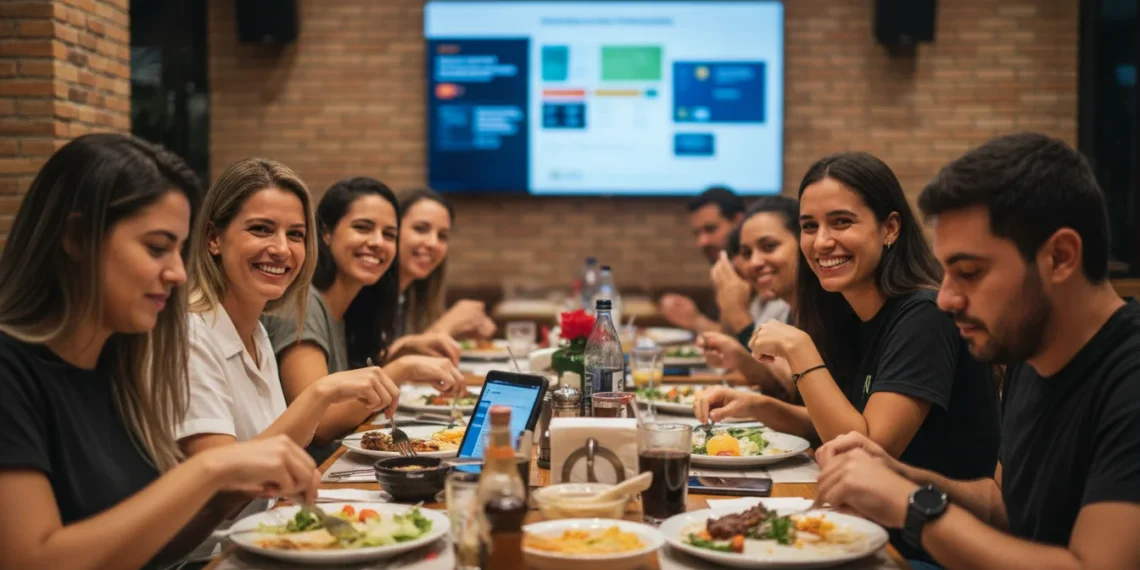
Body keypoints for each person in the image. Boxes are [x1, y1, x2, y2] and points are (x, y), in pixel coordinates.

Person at [814, 133, 1140, 570]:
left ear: (1060, 258)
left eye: (969, 272)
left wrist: (913, 506)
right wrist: (899, 474)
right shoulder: (1031, 353)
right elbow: (1002, 505)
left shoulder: (1128, 377)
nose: (946, 298)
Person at [0, 134, 319, 570]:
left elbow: (153, 551)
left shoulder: (118, 362)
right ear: (76, 238)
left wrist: (223, 486)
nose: (175, 272)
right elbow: (33, 560)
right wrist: (211, 472)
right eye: (156, 248)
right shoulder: (12, 371)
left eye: (177, 249)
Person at [694, 152, 1001, 565]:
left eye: (841, 222)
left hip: (924, 550)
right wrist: (761, 407)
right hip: (864, 528)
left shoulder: (924, 315)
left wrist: (800, 350)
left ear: (890, 228)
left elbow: (865, 452)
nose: (821, 242)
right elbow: (845, 425)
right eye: (809, 227)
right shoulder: (848, 312)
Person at [264, 178, 464, 458]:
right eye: (363, 228)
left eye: (389, 234)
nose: (377, 242)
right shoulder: (303, 302)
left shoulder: (351, 309)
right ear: (326, 233)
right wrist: (401, 368)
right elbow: (321, 425)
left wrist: (401, 355)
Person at [699, 196, 800, 399]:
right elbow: (785, 389)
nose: (753, 263)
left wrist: (741, 320)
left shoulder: (829, 309)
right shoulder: (792, 308)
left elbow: (796, 388)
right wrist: (737, 355)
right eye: (746, 253)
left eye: (769, 246)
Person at [396, 188, 496, 339]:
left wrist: (458, 332)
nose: (433, 243)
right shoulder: (365, 295)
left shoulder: (411, 296)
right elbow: (373, 361)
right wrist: (444, 328)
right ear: (391, 231)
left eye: (442, 236)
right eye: (420, 229)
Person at [659, 186, 747, 333]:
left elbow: (755, 350)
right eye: (698, 233)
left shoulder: (756, 273)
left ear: (738, 221)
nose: (702, 242)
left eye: (711, 229)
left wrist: (696, 321)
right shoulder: (727, 271)